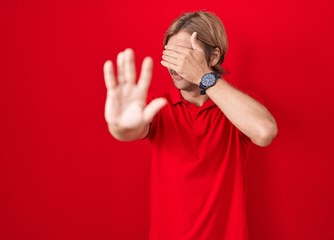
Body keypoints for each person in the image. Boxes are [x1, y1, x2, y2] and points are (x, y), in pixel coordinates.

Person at [103, 11, 277, 240]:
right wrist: (118, 127)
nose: (175, 65)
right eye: (170, 55)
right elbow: (130, 130)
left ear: (213, 56)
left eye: (185, 55)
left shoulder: (236, 107)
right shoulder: (159, 107)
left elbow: (265, 132)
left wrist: (204, 77)